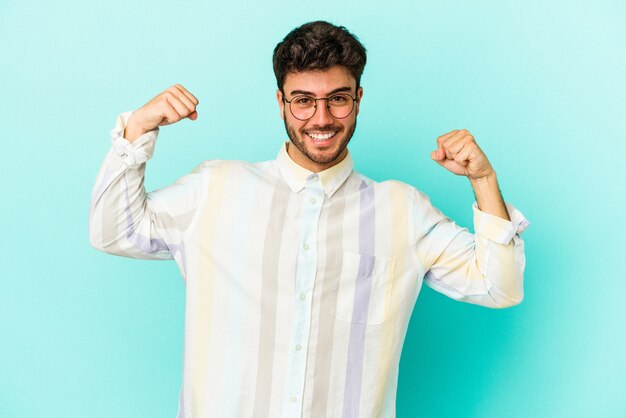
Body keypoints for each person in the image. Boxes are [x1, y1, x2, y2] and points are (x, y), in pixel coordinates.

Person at [89, 20, 529, 418]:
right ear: (281, 101)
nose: (321, 119)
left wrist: (483, 180)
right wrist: (137, 129)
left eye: (337, 99)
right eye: (303, 101)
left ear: (357, 99)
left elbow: (499, 286)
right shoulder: (215, 189)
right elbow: (113, 232)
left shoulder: (402, 210)